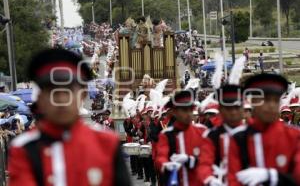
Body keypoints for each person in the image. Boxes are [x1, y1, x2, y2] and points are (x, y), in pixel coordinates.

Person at [8, 49, 132, 186]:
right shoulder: (24, 148)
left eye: (69, 91)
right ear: (40, 99)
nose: (62, 100)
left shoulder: (107, 143)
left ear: (83, 95)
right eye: (53, 92)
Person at [230, 73, 300, 186]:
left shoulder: (295, 136)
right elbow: (232, 178)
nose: (272, 105)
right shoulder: (238, 138)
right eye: (266, 100)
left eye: (276, 100)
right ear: (253, 102)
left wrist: (272, 176)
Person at [155, 90, 207, 186]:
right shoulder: (166, 134)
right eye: (184, 110)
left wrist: (190, 160)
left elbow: (208, 158)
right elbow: (161, 156)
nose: (188, 114)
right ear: (174, 112)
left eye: (190, 110)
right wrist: (166, 165)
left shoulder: (202, 131)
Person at [199, 84, 245, 186]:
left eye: (237, 107)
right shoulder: (211, 136)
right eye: (228, 108)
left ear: (243, 109)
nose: (233, 112)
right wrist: (209, 179)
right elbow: (204, 164)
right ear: (220, 110)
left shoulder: (254, 134)